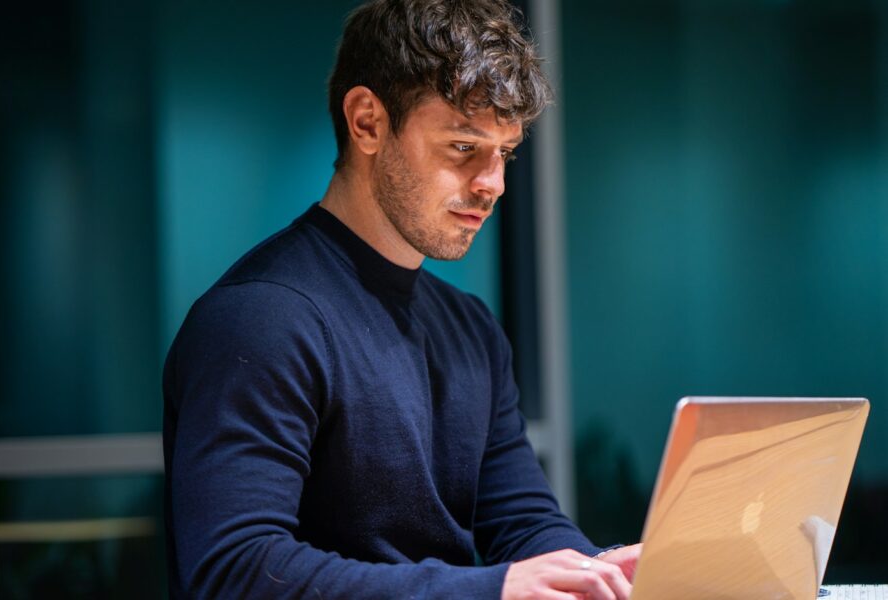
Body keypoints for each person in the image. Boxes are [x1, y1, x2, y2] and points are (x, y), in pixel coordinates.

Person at [162, 0, 641, 598]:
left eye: (505, 153)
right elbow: (235, 569)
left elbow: (522, 523)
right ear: (367, 121)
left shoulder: (470, 328)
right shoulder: (261, 318)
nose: (492, 183)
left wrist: (603, 570)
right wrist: (489, 591)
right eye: (464, 147)